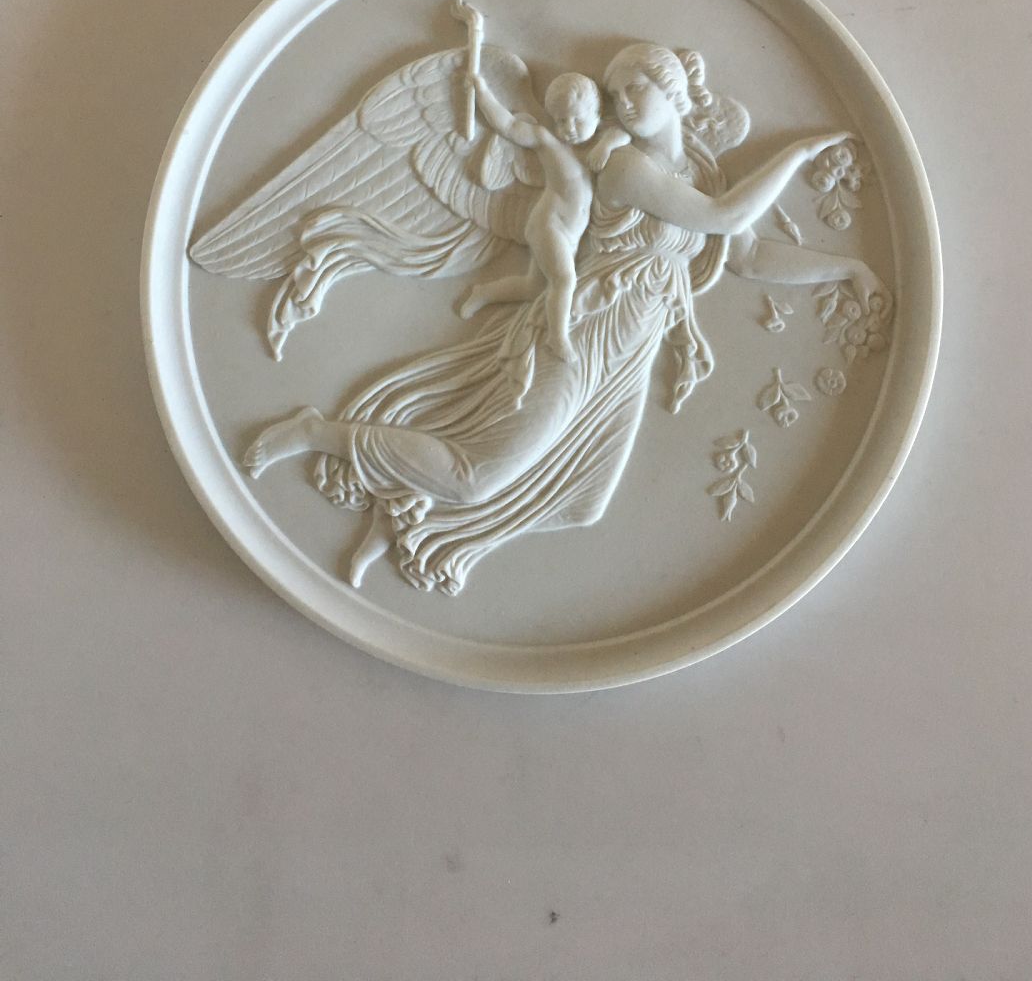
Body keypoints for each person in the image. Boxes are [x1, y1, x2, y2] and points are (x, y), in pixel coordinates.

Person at [243, 42, 889, 595]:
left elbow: (746, 254)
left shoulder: (698, 173)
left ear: (671, 89)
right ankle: (316, 433)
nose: (622, 101)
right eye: (614, 92)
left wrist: (846, 268)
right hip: (581, 337)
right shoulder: (625, 167)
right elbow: (724, 219)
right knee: (475, 479)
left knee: (583, 504)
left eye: (634, 86)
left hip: (626, 361)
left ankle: (413, 513)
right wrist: (798, 154)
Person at [457, 70, 628, 360]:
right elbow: (508, 125)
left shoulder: (598, 145)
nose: (569, 128)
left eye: (577, 119)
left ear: (597, 115)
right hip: (548, 225)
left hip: (571, 234)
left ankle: (484, 292)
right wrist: (482, 91)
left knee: (533, 287)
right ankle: (557, 338)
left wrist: (605, 146)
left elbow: (622, 134)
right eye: (561, 120)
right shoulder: (548, 142)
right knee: (565, 281)